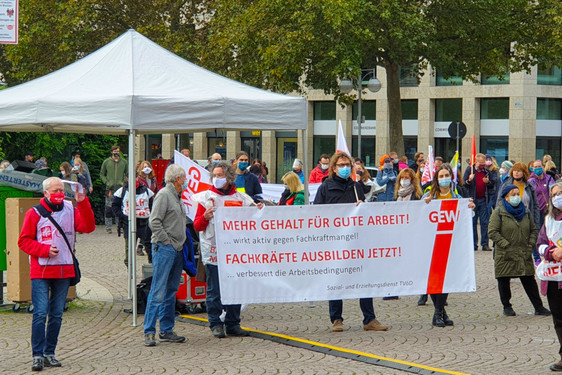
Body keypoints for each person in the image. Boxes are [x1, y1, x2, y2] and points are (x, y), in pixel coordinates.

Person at [18, 177, 95, 371]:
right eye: (55, 191)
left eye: (61, 190)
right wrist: (43, 250)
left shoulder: (71, 210)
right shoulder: (34, 213)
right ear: (46, 193)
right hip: (41, 270)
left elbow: (88, 227)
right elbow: (23, 241)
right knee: (40, 313)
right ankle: (37, 355)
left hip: (64, 269)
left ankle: (49, 353)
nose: (59, 193)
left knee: (57, 315)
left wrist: (83, 202)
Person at [314, 151, 388, 333]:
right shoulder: (325, 187)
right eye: (341, 165)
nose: (345, 168)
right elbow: (316, 214)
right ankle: (336, 319)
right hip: (334, 241)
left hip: (356, 240)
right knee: (337, 279)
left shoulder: (356, 186)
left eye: (347, 165)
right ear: (333, 168)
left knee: (363, 278)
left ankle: (369, 319)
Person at [193, 161, 261, 338]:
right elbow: (197, 226)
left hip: (235, 252)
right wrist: (205, 217)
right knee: (214, 290)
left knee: (235, 287)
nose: (217, 179)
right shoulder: (205, 198)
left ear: (229, 177)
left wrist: (259, 210)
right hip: (214, 250)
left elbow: (255, 220)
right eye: (214, 175)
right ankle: (215, 323)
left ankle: (233, 322)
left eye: (220, 175)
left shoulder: (241, 199)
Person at [423, 164, 475, 327]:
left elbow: (466, 218)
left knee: (447, 279)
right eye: (441, 176)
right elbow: (419, 217)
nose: (444, 178)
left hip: (451, 242)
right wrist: (425, 205)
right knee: (434, 280)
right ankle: (440, 313)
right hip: (432, 242)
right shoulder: (428, 196)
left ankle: (439, 313)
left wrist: (470, 208)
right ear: (436, 180)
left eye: (447, 175)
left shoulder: (458, 196)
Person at [488, 184, 551, 317]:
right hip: (505, 253)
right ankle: (507, 306)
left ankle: (538, 307)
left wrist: (531, 243)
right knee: (503, 279)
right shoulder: (499, 212)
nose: (517, 197)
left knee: (529, 279)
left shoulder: (526, 212)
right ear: (506, 197)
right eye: (513, 194)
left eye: (518, 194)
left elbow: (534, 230)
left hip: (523, 251)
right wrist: (505, 244)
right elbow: (492, 232)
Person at [143, 164, 188, 347]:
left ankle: (167, 329)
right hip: (165, 248)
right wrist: (166, 240)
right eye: (184, 177)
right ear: (177, 179)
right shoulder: (163, 195)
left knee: (170, 290)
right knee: (158, 290)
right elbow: (154, 221)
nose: (186, 181)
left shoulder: (178, 197)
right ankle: (149, 331)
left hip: (177, 248)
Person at [536, 181, 562, 372]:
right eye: (554, 194)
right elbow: (540, 243)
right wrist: (551, 252)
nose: (557, 197)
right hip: (554, 277)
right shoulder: (549, 219)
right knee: (559, 319)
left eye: (560, 193)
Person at [497, 162, 541, 263]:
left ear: (524, 173)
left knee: (525, 246)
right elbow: (499, 202)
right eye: (515, 171)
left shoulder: (529, 186)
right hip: (509, 218)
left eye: (519, 171)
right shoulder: (506, 185)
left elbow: (535, 205)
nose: (516, 173)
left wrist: (536, 222)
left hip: (525, 218)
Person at [394, 168, 425, 304]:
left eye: (407, 178)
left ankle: (424, 291)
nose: (404, 180)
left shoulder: (417, 195)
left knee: (420, 263)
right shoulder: (397, 195)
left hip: (415, 233)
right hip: (401, 232)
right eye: (402, 178)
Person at [112, 177, 155, 264]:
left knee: (149, 246)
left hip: (144, 223)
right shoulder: (122, 191)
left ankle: (152, 267)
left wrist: (150, 216)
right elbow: (115, 206)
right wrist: (123, 216)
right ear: (127, 178)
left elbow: (152, 205)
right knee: (129, 248)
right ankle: (130, 268)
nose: (134, 179)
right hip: (129, 223)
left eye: (136, 177)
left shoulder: (146, 191)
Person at [464, 153, 497, 251]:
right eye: (481, 164)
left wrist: (488, 182)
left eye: (484, 164)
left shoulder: (486, 171)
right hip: (473, 200)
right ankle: (474, 244)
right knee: (473, 223)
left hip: (483, 199)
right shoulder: (469, 170)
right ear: (476, 162)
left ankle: (485, 243)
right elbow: (464, 185)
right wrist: (469, 180)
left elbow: (492, 184)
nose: (483, 166)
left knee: (485, 222)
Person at [100, 146, 128, 234]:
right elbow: (102, 174)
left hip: (120, 188)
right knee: (108, 208)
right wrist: (107, 182)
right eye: (115, 151)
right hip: (110, 188)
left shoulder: (124, 162)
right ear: (111, 152)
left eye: (118, 151)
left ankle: (120, 226)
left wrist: (123, 182)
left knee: (120, 207)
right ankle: (108, 227)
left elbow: (127, 173)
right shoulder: (106, 162)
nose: (116, 153)